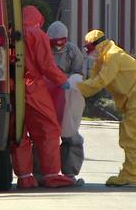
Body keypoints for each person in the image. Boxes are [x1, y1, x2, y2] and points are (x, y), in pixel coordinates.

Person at [75, 29, 136, 187]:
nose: (87, 53)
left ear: (97, 46)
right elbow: (94, 76)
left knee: (131, 138)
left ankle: (131, 176)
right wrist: (81, 82)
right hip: (135, 98)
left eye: (88, 48)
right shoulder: (105, 57)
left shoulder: (113, 56)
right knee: (127, 136)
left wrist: (76, 88)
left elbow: (101, 81)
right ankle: (128, 173)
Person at [10, 6, 76, 189]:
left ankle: (24, 177)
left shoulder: (10, 33)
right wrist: (62, 80)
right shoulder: (37, 35)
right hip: (33, 88)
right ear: (38, 20)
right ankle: (52, 175)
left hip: (10, 88)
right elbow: (46, 65)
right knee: (49, 129)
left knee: (18, 134)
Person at [33, 21, 85, 184]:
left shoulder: (72, 51)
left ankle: (69, 172)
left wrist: (69, 82)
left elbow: (79, 74)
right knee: (43, 136)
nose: (58, 46)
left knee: (70, 134)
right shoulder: (41, 49)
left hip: (66, 99)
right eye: (55, 42)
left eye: (61, 41)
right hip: (44, 98)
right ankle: (40, 173)